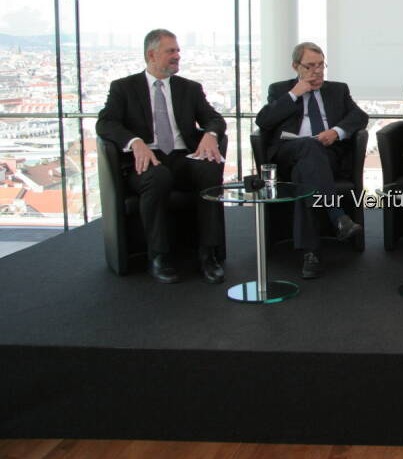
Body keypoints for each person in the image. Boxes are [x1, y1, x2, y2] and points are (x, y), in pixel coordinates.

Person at [96, 28, 227, 284]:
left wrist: (210, 134)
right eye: (171, 51)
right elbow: (106, 124)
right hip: (147, 159)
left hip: (182, 155)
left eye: (178, 50)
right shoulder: (124, 88)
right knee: (158, 177)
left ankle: (207, 254)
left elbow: (214, 118)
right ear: (151, 55)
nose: (177, 55)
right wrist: (135, 142)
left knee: (210, 170)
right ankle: (158, 256)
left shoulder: (189, 88)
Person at [255, 42, 368, 279]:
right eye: (310, 66)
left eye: (321, 65)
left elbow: (359, 116)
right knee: (307, 146)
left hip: (325, 156)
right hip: (288, 153)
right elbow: (263, 121)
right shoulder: (280, 90)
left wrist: (336, 131)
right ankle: (337, 215)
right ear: (296, 66)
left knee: (304, 174)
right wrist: (295, 93)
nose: (317, 71)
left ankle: (311, 252)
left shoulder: (337, 90)